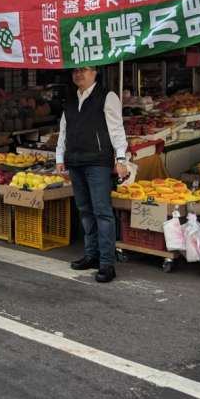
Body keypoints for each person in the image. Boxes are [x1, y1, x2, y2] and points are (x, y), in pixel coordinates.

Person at [56, 66, 128, 283]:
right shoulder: (70, 99)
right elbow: (64, 129)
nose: (79, 74)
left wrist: (121, 158)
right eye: (76, 71)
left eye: (84, 70)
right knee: (85, 210)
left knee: (102, 212)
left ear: (95, 72)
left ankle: (107, 263)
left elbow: (117, 128)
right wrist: (60, 157)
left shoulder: (107, 96)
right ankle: (91, 254)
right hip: (75, 161)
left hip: (98, 162)